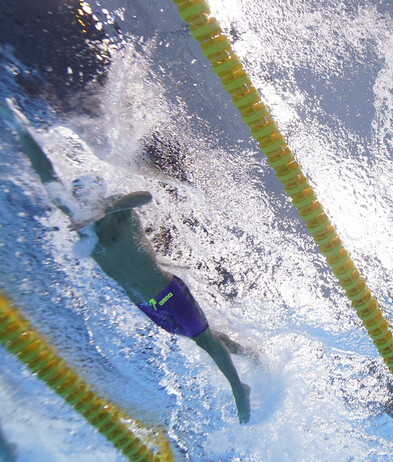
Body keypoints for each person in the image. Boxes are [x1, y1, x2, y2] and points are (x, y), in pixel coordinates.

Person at [0, 99, 251, 422]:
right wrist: (21, 128)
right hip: (147, 306)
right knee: (203, 337)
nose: (80, 202)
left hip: (168, 294)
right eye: (78, 198)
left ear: (98, 195)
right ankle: (247, 353)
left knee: (206, 342)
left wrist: (108, 208)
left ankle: (239, 390)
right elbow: (46, 174)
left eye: (87, 197)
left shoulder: (117, 213)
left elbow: (143, 197)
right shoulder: (80, 219)